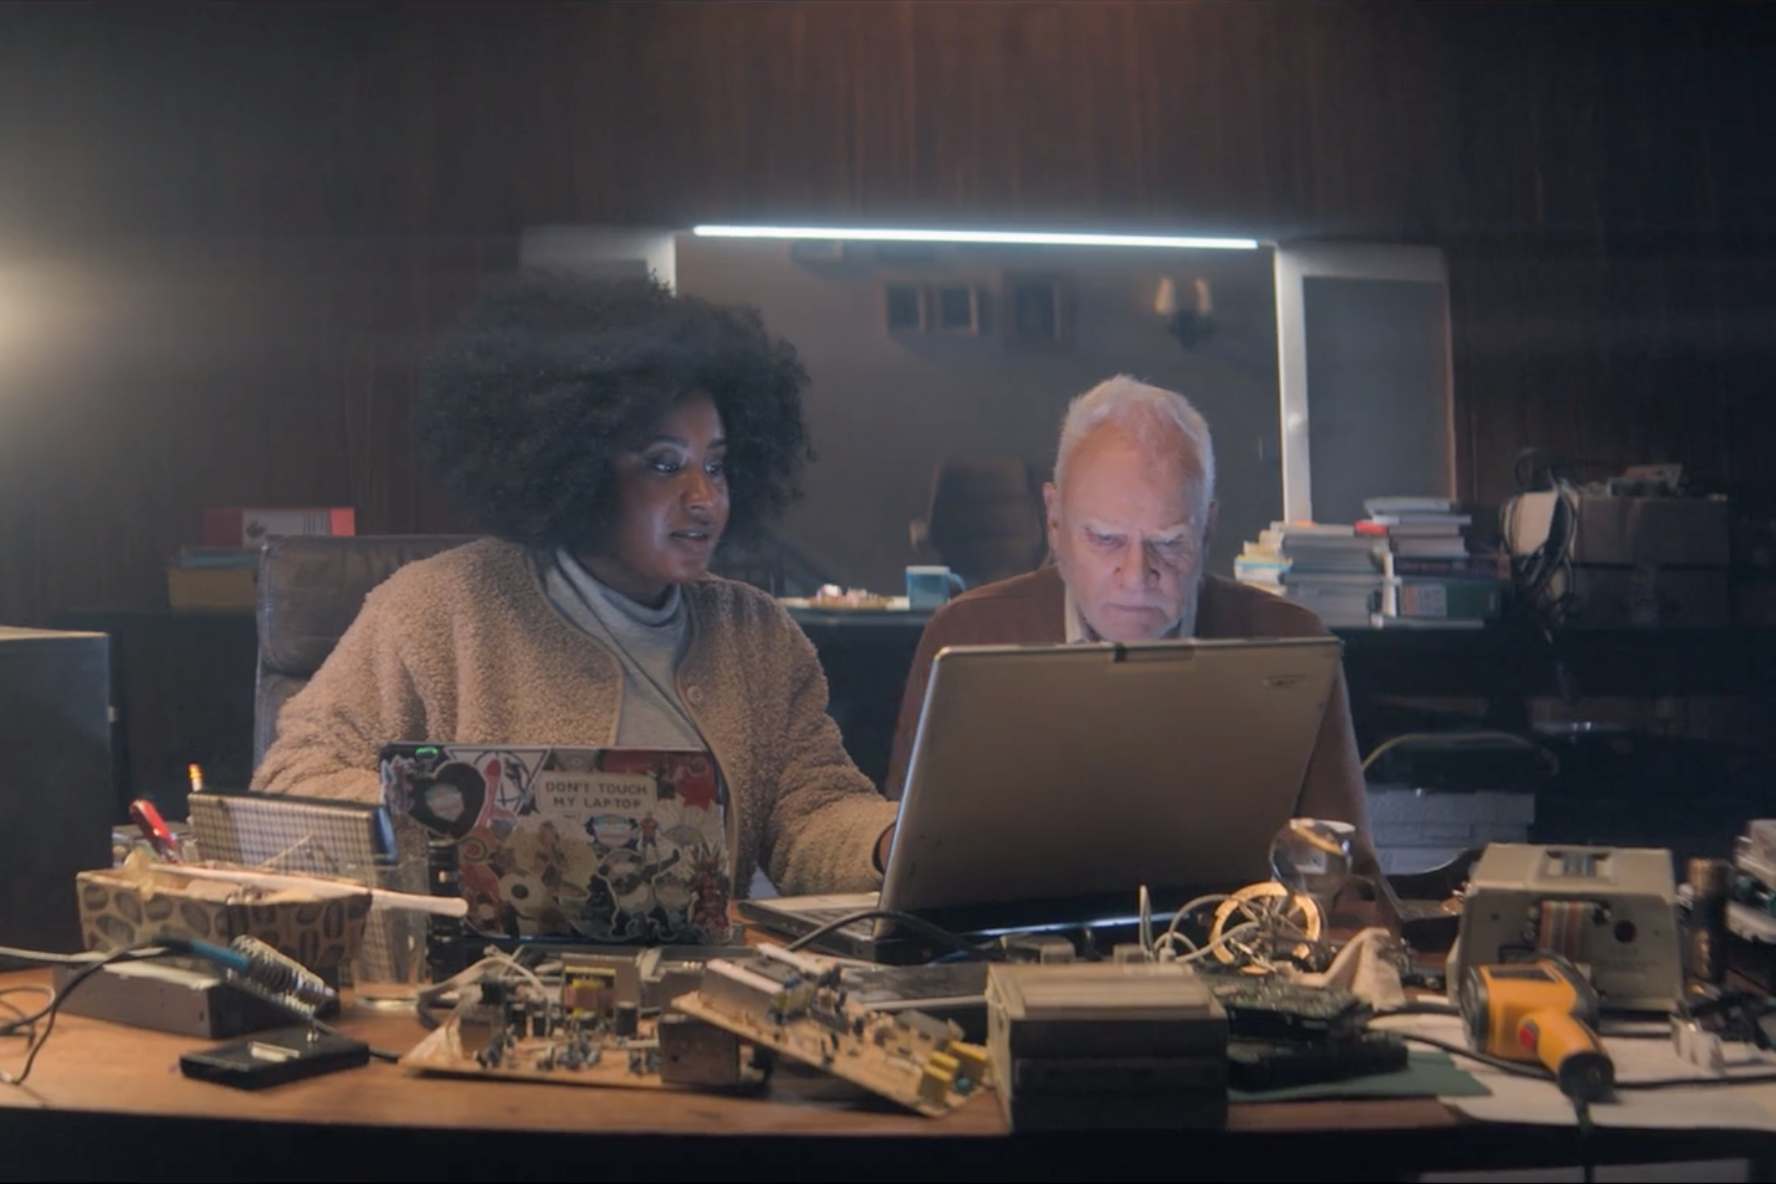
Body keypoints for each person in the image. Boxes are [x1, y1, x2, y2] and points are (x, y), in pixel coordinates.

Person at [252, 273, 897, 899]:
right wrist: (462, 820)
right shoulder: (434, 610)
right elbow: (292, 780)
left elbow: (814, 811)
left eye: (717, 466)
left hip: (708, 992)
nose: (704, 499)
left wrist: (891, 842)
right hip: (488, 989)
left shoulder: (757, 636)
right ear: (578, 469)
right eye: (665, 465)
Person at [884, 374, 1393, 908]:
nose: (1135, 575)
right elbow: (906, 875)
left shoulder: (1292, 642)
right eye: (1105, 539)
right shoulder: (967, 639)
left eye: (1169, 543)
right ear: (1054, 521)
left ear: (1208, 528)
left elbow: (1353, 890)